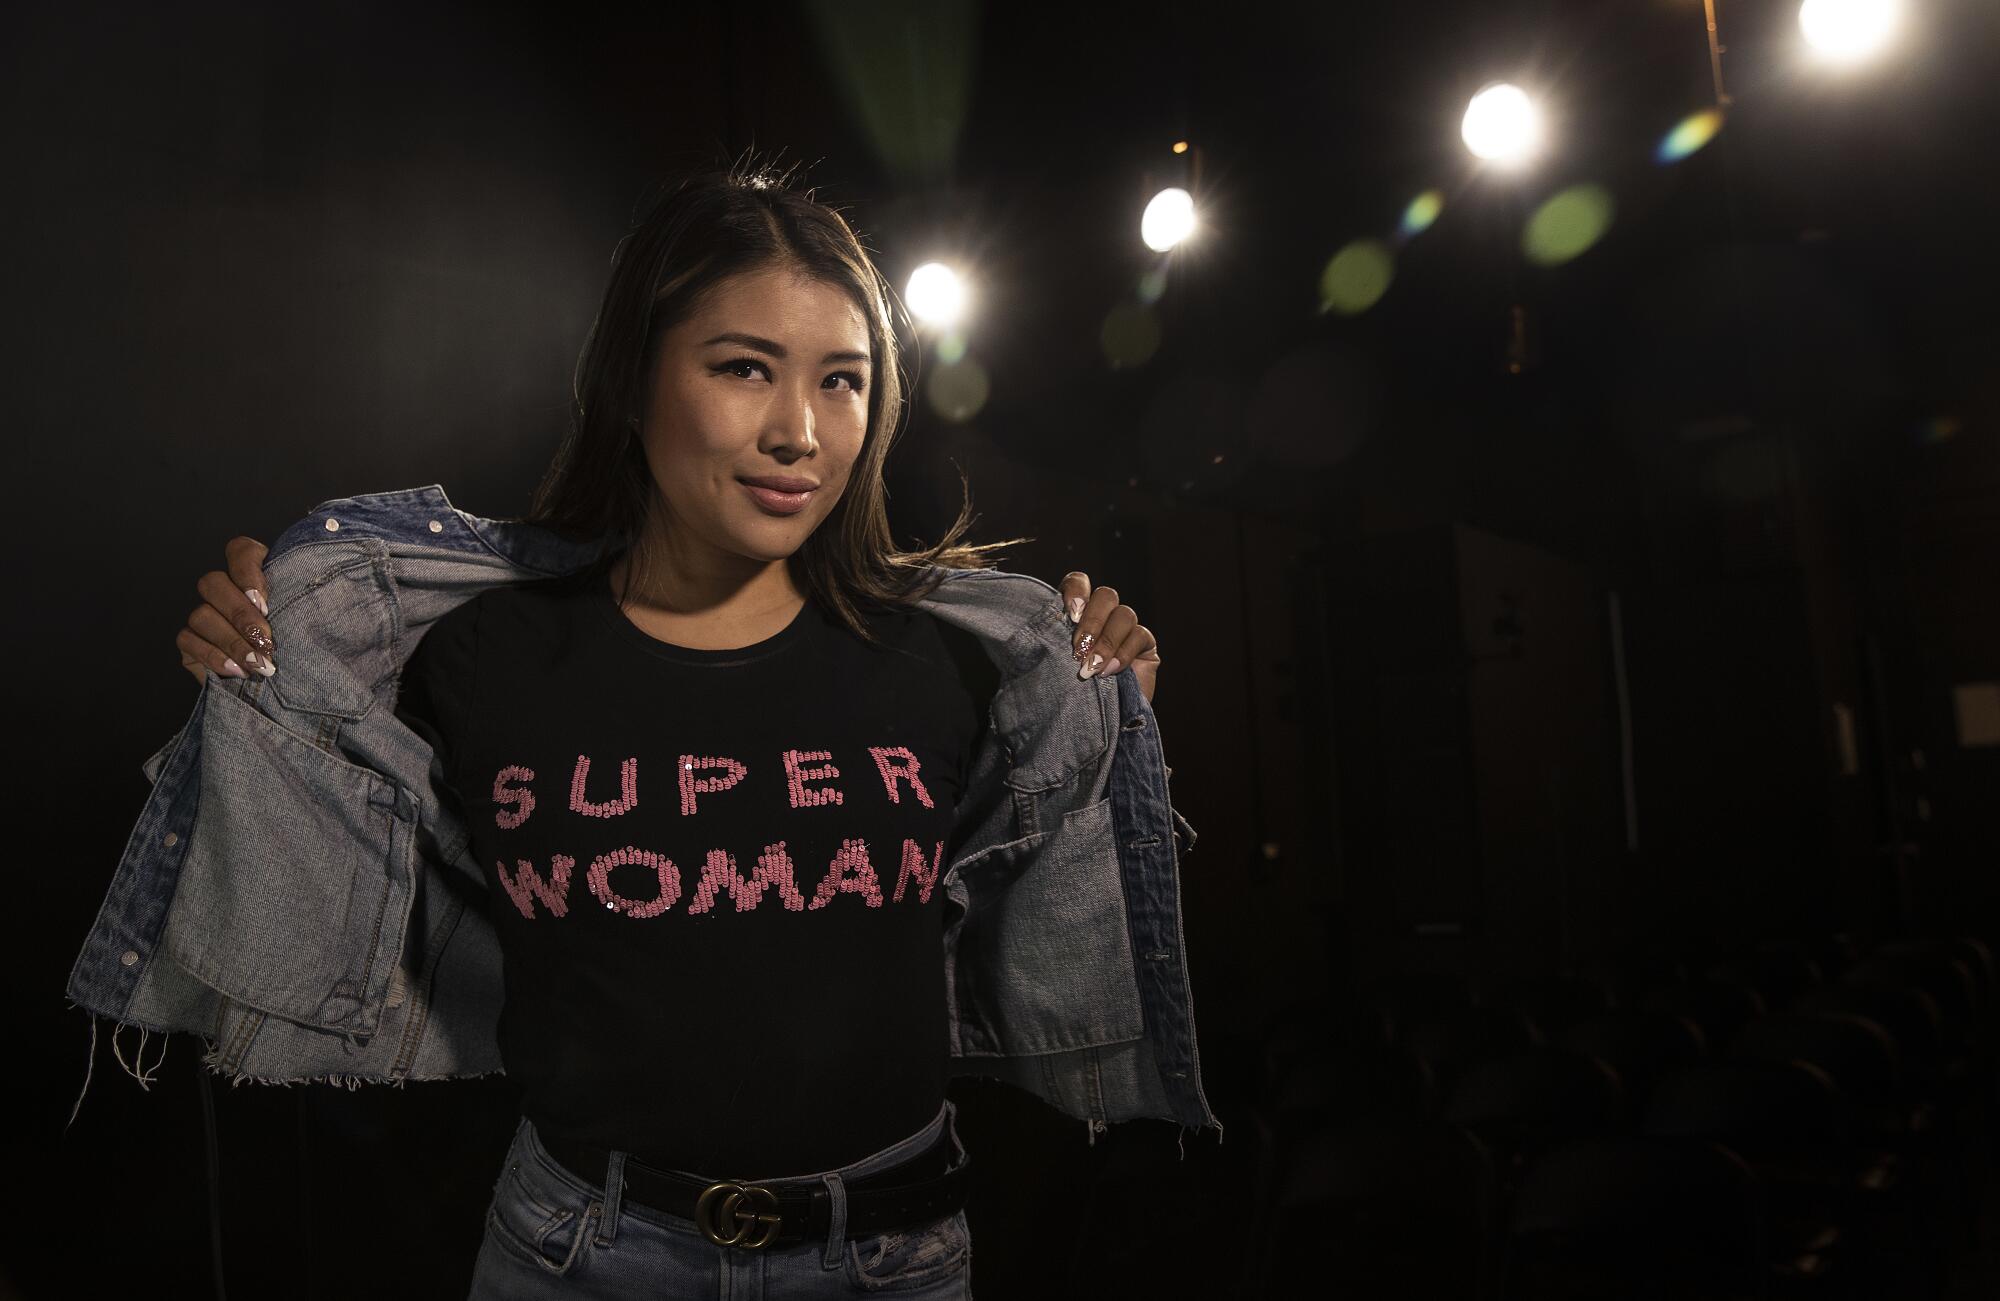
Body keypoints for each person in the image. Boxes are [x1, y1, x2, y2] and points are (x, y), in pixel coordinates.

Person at [160, 157, 1167, 1300]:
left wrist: (1112, 700)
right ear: (634, 382)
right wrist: (256, 638)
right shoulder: (481, 652)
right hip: (576, 1252)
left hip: (889, 1259)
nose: (798, 430)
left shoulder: (952, 660)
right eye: (744, 368)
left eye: (841, 381)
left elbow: (1035, 862)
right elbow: (318, 800)